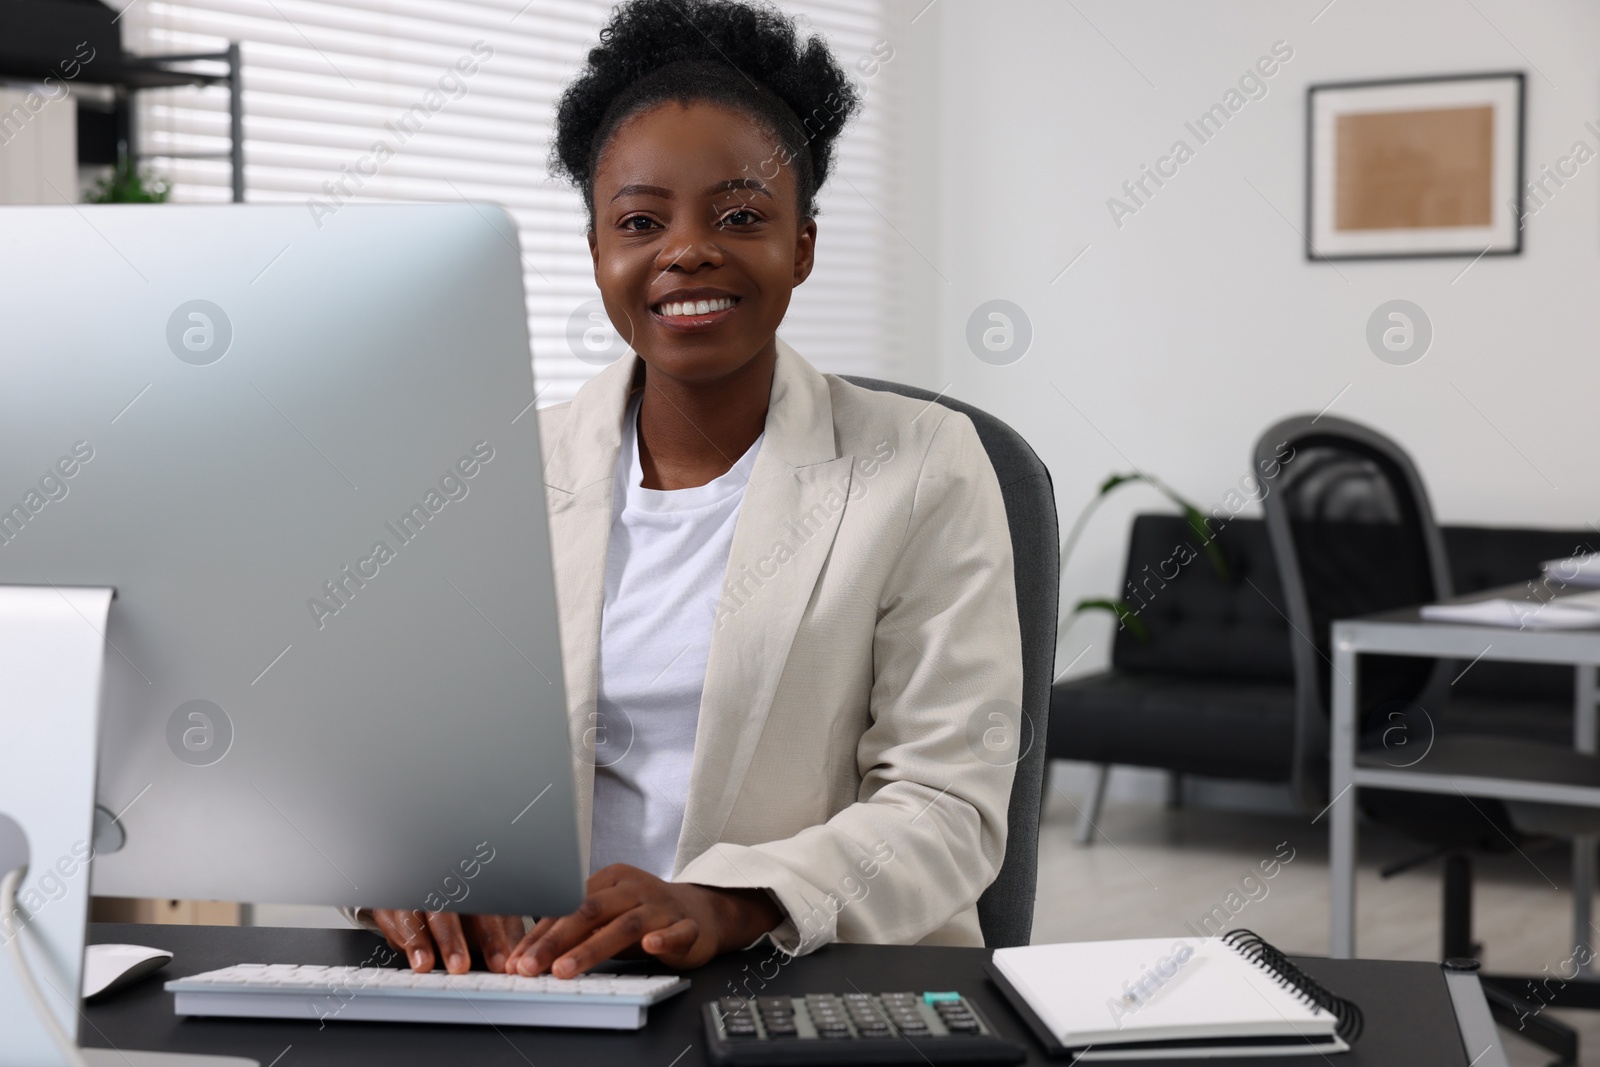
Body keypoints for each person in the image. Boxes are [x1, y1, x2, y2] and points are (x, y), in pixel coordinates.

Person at [361, 0, 1023, 979]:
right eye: (639, 220)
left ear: (801, 243)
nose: (687, 250)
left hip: (803, 977)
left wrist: (729, 898)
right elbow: (395, 757)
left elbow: (947, 805)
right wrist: (398, 869)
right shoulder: (496, 473)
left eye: (741, 216)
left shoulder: (923, 464)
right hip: (540, 985)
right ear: (596, 251)